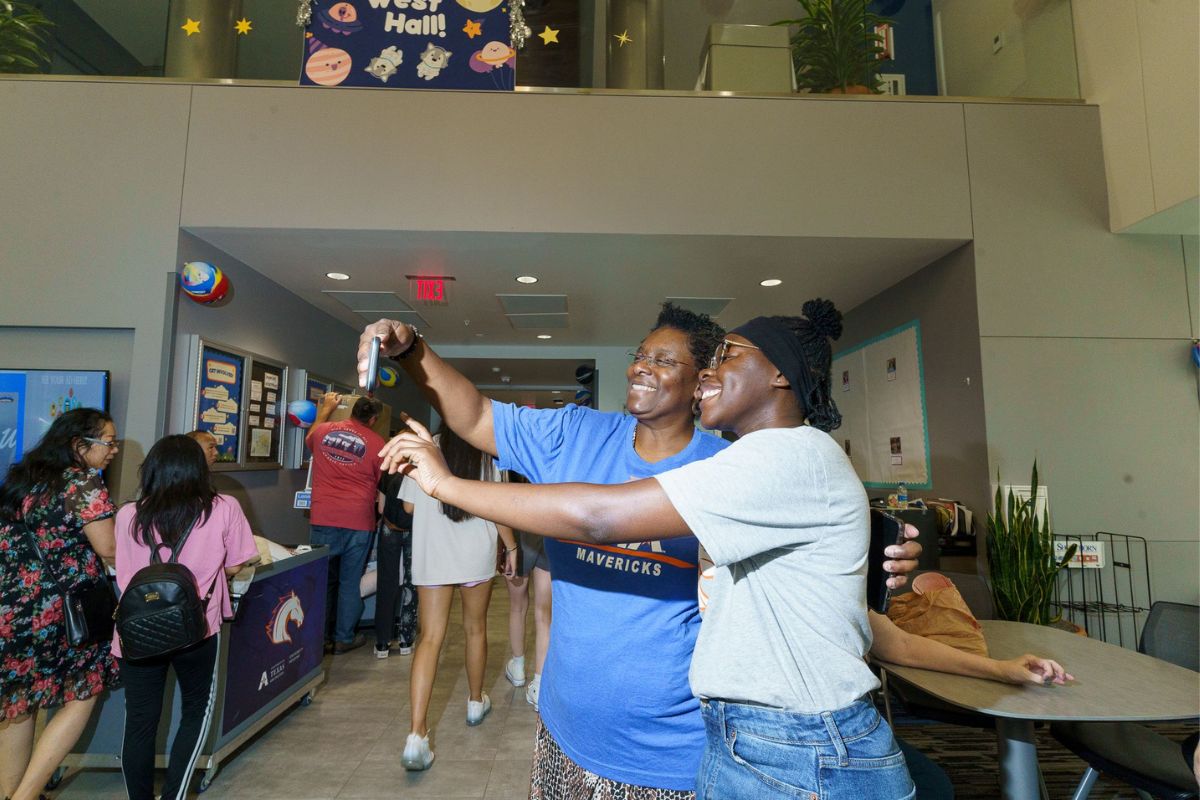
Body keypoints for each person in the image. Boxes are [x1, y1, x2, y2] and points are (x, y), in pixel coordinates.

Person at [360, 302, 922, 797]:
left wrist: (446, 485)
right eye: (639, 355)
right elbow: (480, 416)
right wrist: (412, 350)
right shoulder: (582, 433)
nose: (641, 368)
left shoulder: (733, 462)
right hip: (572, 726)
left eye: (668, 361)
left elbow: (598, 518)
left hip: (691, 749)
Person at [113, 434, 258, 800]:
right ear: (198, 468)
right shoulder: (223, 507)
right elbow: (239, 562)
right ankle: (175, 795)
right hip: (197, 629)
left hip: (136, 631)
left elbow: (122, 570)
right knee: (195, 713)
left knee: (140, 723)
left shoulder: (128, 514)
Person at [0, 408, 121, 800]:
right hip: (65, 614)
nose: (114, 450)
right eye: (108, 442)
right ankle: (26, 795)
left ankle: (11, 794)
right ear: (78, 445)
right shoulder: (83, 484)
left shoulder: (23, 481)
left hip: (12, 610)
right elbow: (110, 548)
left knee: (21, 703)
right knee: (82, 694)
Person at [400, 425, 517, 771]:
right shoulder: (486, 456)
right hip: (474, 553)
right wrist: (511, 547)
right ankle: (475, 701)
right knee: (475, 629)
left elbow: (407, 507)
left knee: (430, 638)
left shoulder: (422, 449)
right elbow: (498, 509)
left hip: (432, 553)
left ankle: (416, 735)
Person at [305, 392, 386, 654]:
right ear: (373, 419)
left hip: (324, 515)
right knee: (350, 581)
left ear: (352, 411)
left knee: (321, 579)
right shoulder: (377, 443)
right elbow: (380, 479)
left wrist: (325, 410)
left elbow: (310, 440)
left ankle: (317, 637)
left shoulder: (324, 431)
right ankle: (343, 638)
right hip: (359, 519)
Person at [501, 472, 552, 709]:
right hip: (546, 523)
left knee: (517, 607)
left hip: (516, 524)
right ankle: (539, 683)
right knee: (544, 614)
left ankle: (518, 666)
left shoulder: (510, 455)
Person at [374, 470, 418, 658]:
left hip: (389, 530)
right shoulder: (419, 474)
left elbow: (381, 509)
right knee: (412, 582)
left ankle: (383, 643)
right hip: (414, 531)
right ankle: (406, 640)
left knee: (386, 582)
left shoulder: (387, 473)